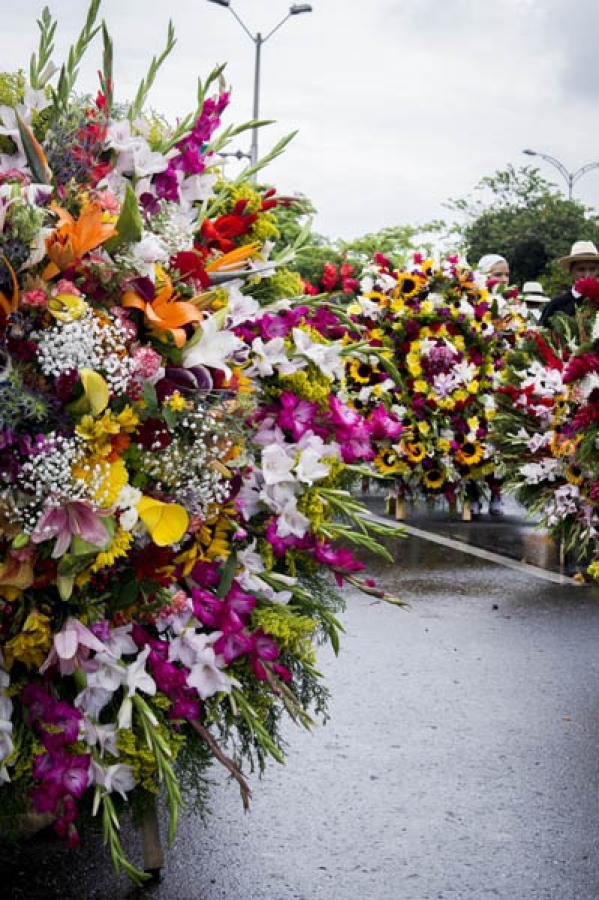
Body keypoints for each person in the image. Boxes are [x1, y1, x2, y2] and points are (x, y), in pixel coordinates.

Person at [539, 240, 599, 325]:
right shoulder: (556, 305)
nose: (587, 275)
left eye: (592, 269)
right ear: (571, 271)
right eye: (581, 269)